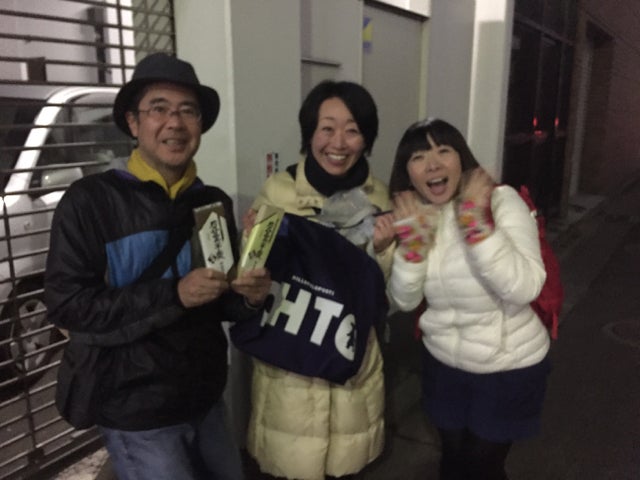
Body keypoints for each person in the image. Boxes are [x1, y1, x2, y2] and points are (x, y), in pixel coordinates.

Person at [44, 52, 271, 480]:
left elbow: (221, 302)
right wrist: (175, 294)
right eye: (159, 109)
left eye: (188, 111)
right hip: (136, 412)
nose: (175, 123)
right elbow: (68, 307)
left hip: (206, 399)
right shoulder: (90, 202)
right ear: (133, 123)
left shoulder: (211, 203)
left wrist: (250, 298)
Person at [241, 80, 396, 480]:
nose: (338, 142)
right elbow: (250, 277)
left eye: (352, 130)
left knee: (348, 468)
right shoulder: (279, 192)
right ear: (310, 132)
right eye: (327, 128)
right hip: (289, 375)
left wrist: (384, 252)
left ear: (366, 138)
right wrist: (252, 247)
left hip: (352, 371)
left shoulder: (379, 198)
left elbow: (386, 295)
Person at [386, 118, 551, 480]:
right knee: (452, 460)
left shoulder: (500, 201)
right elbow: (404, 301)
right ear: (408, 172)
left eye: (443, 151)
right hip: (444, 365)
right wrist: (412, 245)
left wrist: (475, 223)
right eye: (418, 157)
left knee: (483, 467)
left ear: (461, 159)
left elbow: (526, 287)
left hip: (507, 366)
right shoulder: (419, 216)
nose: (433, 164)